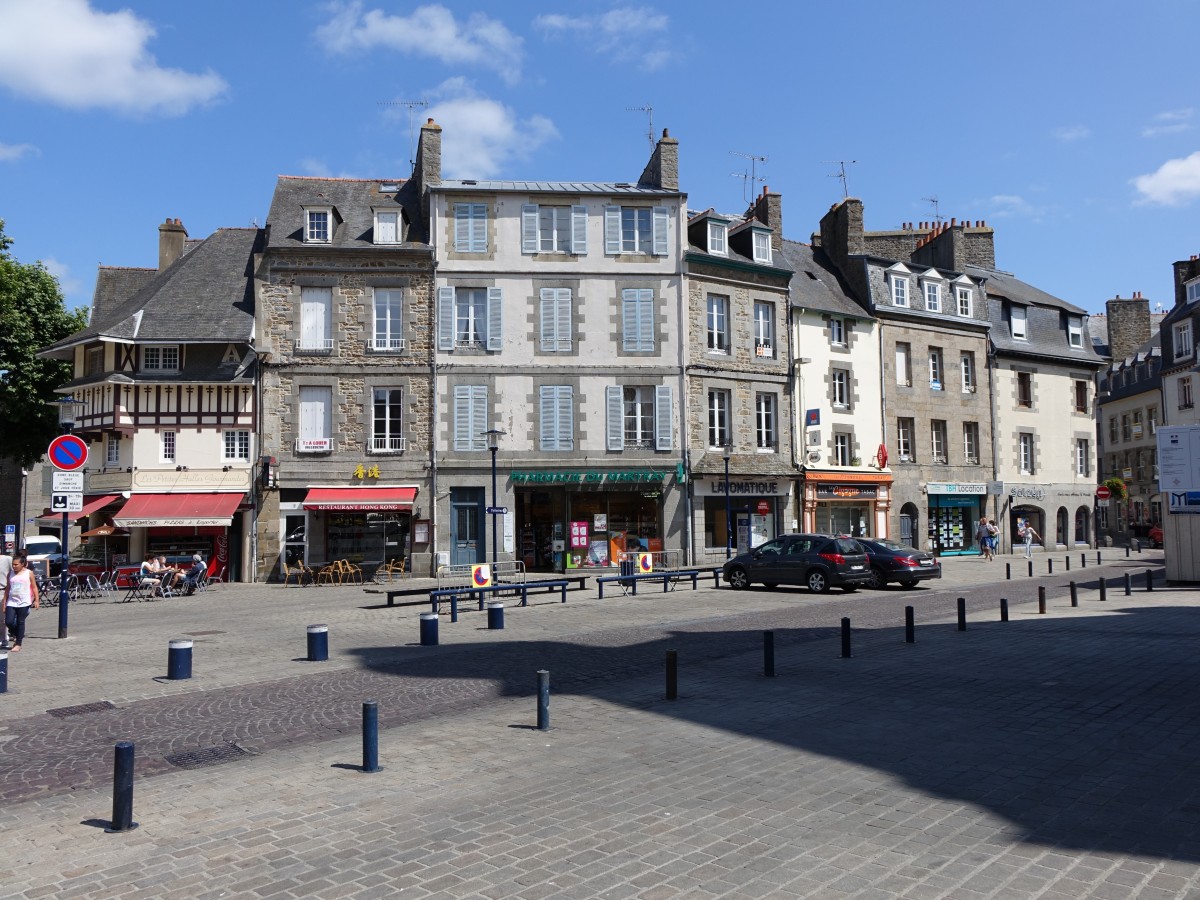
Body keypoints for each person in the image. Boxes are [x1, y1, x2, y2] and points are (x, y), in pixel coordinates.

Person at [3, 553, 40, 652]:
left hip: (24, 601)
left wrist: (36, 600)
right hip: (12, 601)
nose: (14, 566)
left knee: (20, 621)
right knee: (8, 621)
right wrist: (4, 603)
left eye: (16, 564)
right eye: (13, 564)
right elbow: (8, 588)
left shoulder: (28, 573)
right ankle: (18, 634)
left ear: (22, 564)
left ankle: (18, 643)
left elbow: (34, 587)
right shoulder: (10, 573)